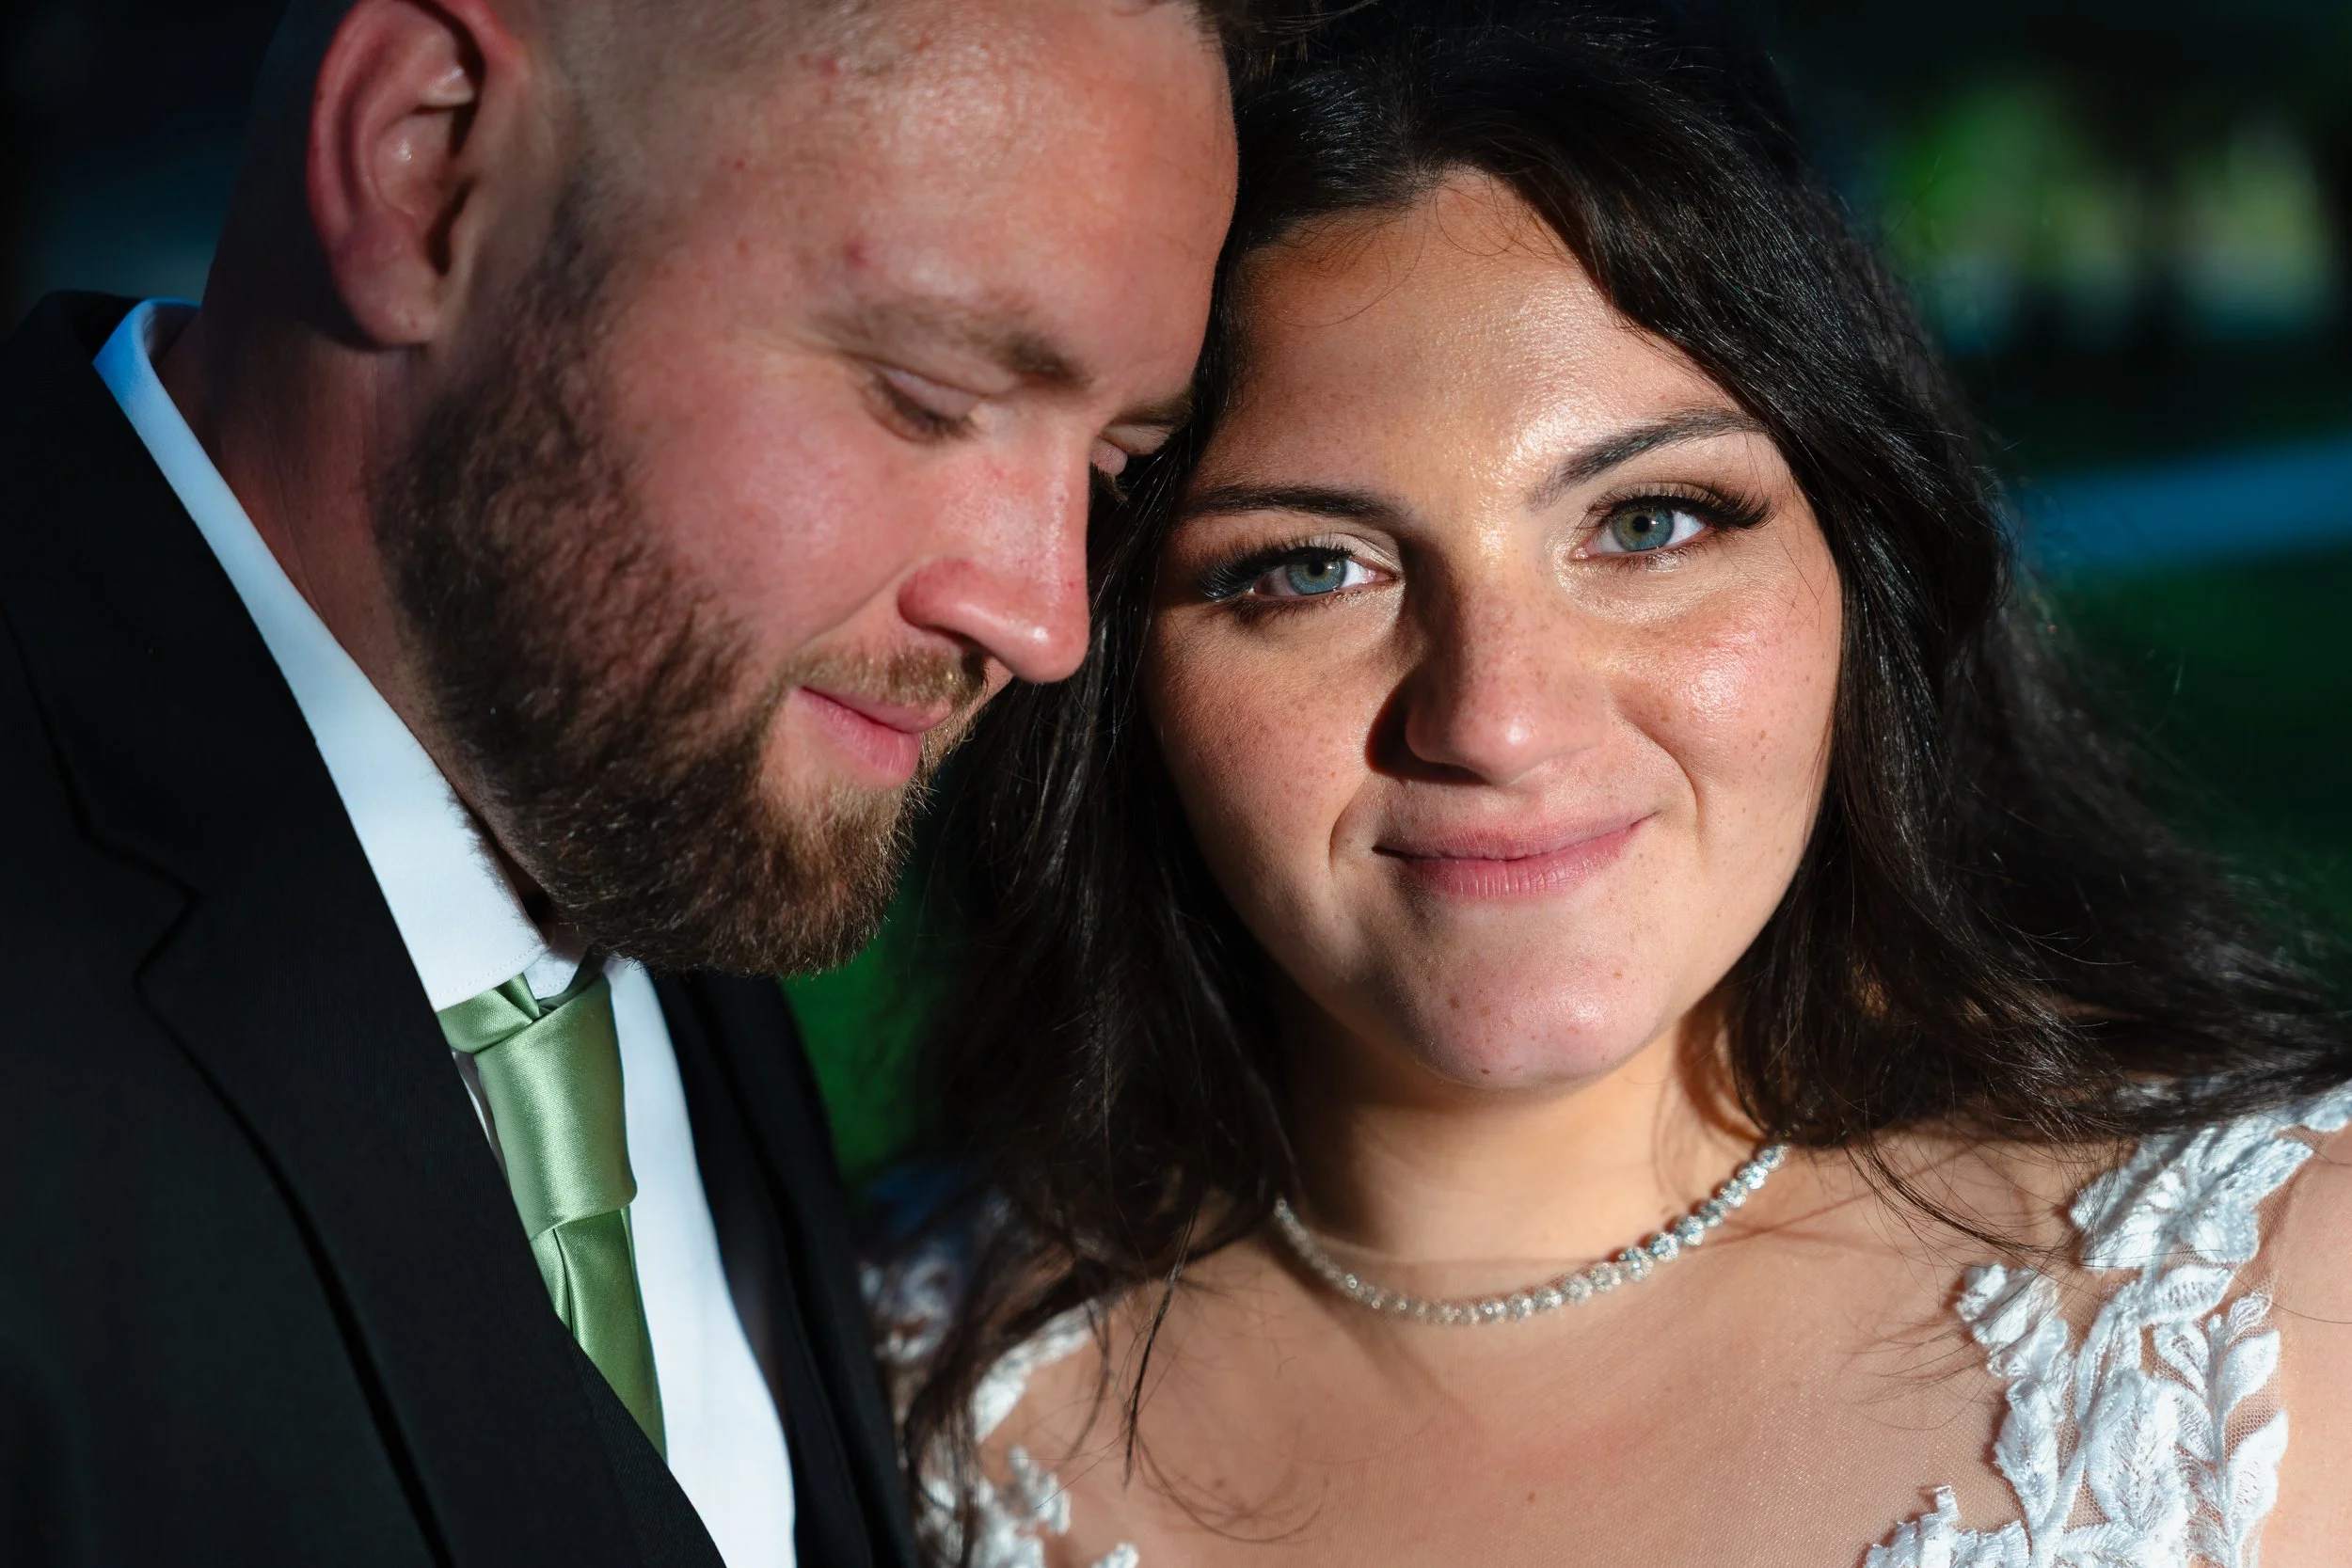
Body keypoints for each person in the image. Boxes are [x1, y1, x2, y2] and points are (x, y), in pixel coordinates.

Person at [881, 5, 2352, 1565]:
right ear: (1110, 664)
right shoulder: (879, 1381)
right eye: (1310, 567)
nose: (1497, 720)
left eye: (1648, 523)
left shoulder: (2291, 1305)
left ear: (1862, 567)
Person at [0, 0, 1243, 1560]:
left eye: (1115, 464)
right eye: (924, 394)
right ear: (426, 165)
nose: (1047, 621)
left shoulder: (637, 758)